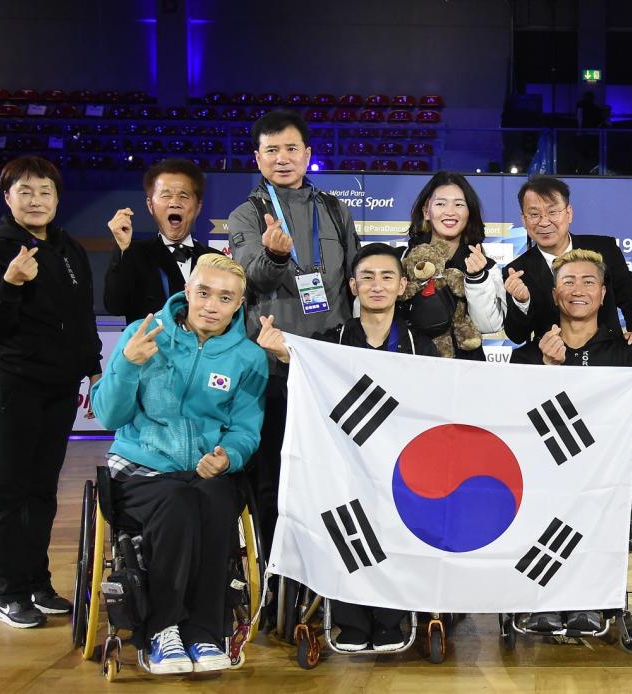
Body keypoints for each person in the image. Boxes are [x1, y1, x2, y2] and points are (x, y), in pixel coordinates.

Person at [257, 242, 438, 651]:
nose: (377, 286)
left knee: (400, 512)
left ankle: (391, 615)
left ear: (402, 285)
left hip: (399, 469)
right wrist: (287, 356)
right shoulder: (332, 341)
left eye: (387, 277)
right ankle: (350, 617)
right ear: (353, 286)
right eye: (368, 277)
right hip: (344, 467)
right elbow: (306, 371)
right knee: (341, 514)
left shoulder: (419, 347)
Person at [91, 254, 266, 674]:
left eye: (225, 298)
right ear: (187, 291)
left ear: (238, 305)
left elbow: (245, 430)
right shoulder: (145, 333)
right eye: (203, 293)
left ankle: (205, 632)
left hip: (207, 472)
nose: (211, 305)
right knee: (179, 502)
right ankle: (162, 629)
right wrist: (128, 365)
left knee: (210, 501)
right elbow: (110, 416)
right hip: (141, 466)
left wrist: (229, 456)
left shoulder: (248, 358)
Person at [511, 249, 632, 632]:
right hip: (544, 474)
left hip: (605, 478)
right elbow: (513, 412)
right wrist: (546, 371)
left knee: (599, 495)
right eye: (568, 281)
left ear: (602, 294)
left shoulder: (628, 353)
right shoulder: (527, 356)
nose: (577, 290)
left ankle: (592, 598)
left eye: (588, 282)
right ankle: (542, 598)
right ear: (553, 294)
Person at [0, 156, 102, 628]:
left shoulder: (68, 247)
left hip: (59, 386)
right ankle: (10, 592)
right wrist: (10, 283)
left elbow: (82, 314)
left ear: (57, 198)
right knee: (8, 489)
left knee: (43, 489)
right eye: (25, 191)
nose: (36, 200)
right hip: (13, 385)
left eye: (45, 191)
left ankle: (37, 581)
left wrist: (92, 367)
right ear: (7, 197)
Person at [226, 109, 362, 550]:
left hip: (330, 367)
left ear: (307, 154)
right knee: (273, 476)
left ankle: (328, 565)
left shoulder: (335, 210)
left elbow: (353, 281)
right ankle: (274, 570)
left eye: (290, 149)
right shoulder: (246, 215)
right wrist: (276, 257)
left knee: (333, 473)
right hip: (271, 369)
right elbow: (252, 279)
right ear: (257, 158)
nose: (282, 159)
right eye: (271, 151)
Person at [502, 176, 632, 348]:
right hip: (552, 364)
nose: (544, 222)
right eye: (534, 214)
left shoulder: (605, 250)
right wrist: (522, 302)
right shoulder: (516, 271)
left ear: (569, 213)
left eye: (553, 212)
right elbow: (517, 336)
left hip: (608, 359)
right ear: (524, 220)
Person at [103, 158, 220, 323]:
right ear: (150, 205)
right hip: (152, 347)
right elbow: (114, 306)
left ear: (198, 206)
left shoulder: (215, 260)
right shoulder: (134, 254)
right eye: (166, 195)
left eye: (183, 196)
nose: (174, 203)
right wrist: (122, 249)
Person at [405, 172, 506, 359]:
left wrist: (477, 278)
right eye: (441, 204)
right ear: (426, 211)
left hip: (468, 368)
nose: (450, 211)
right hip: (413, 363)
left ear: (469, 213)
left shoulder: (487, 266)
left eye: (459, 204)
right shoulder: (405, 260)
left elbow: (488, 326)